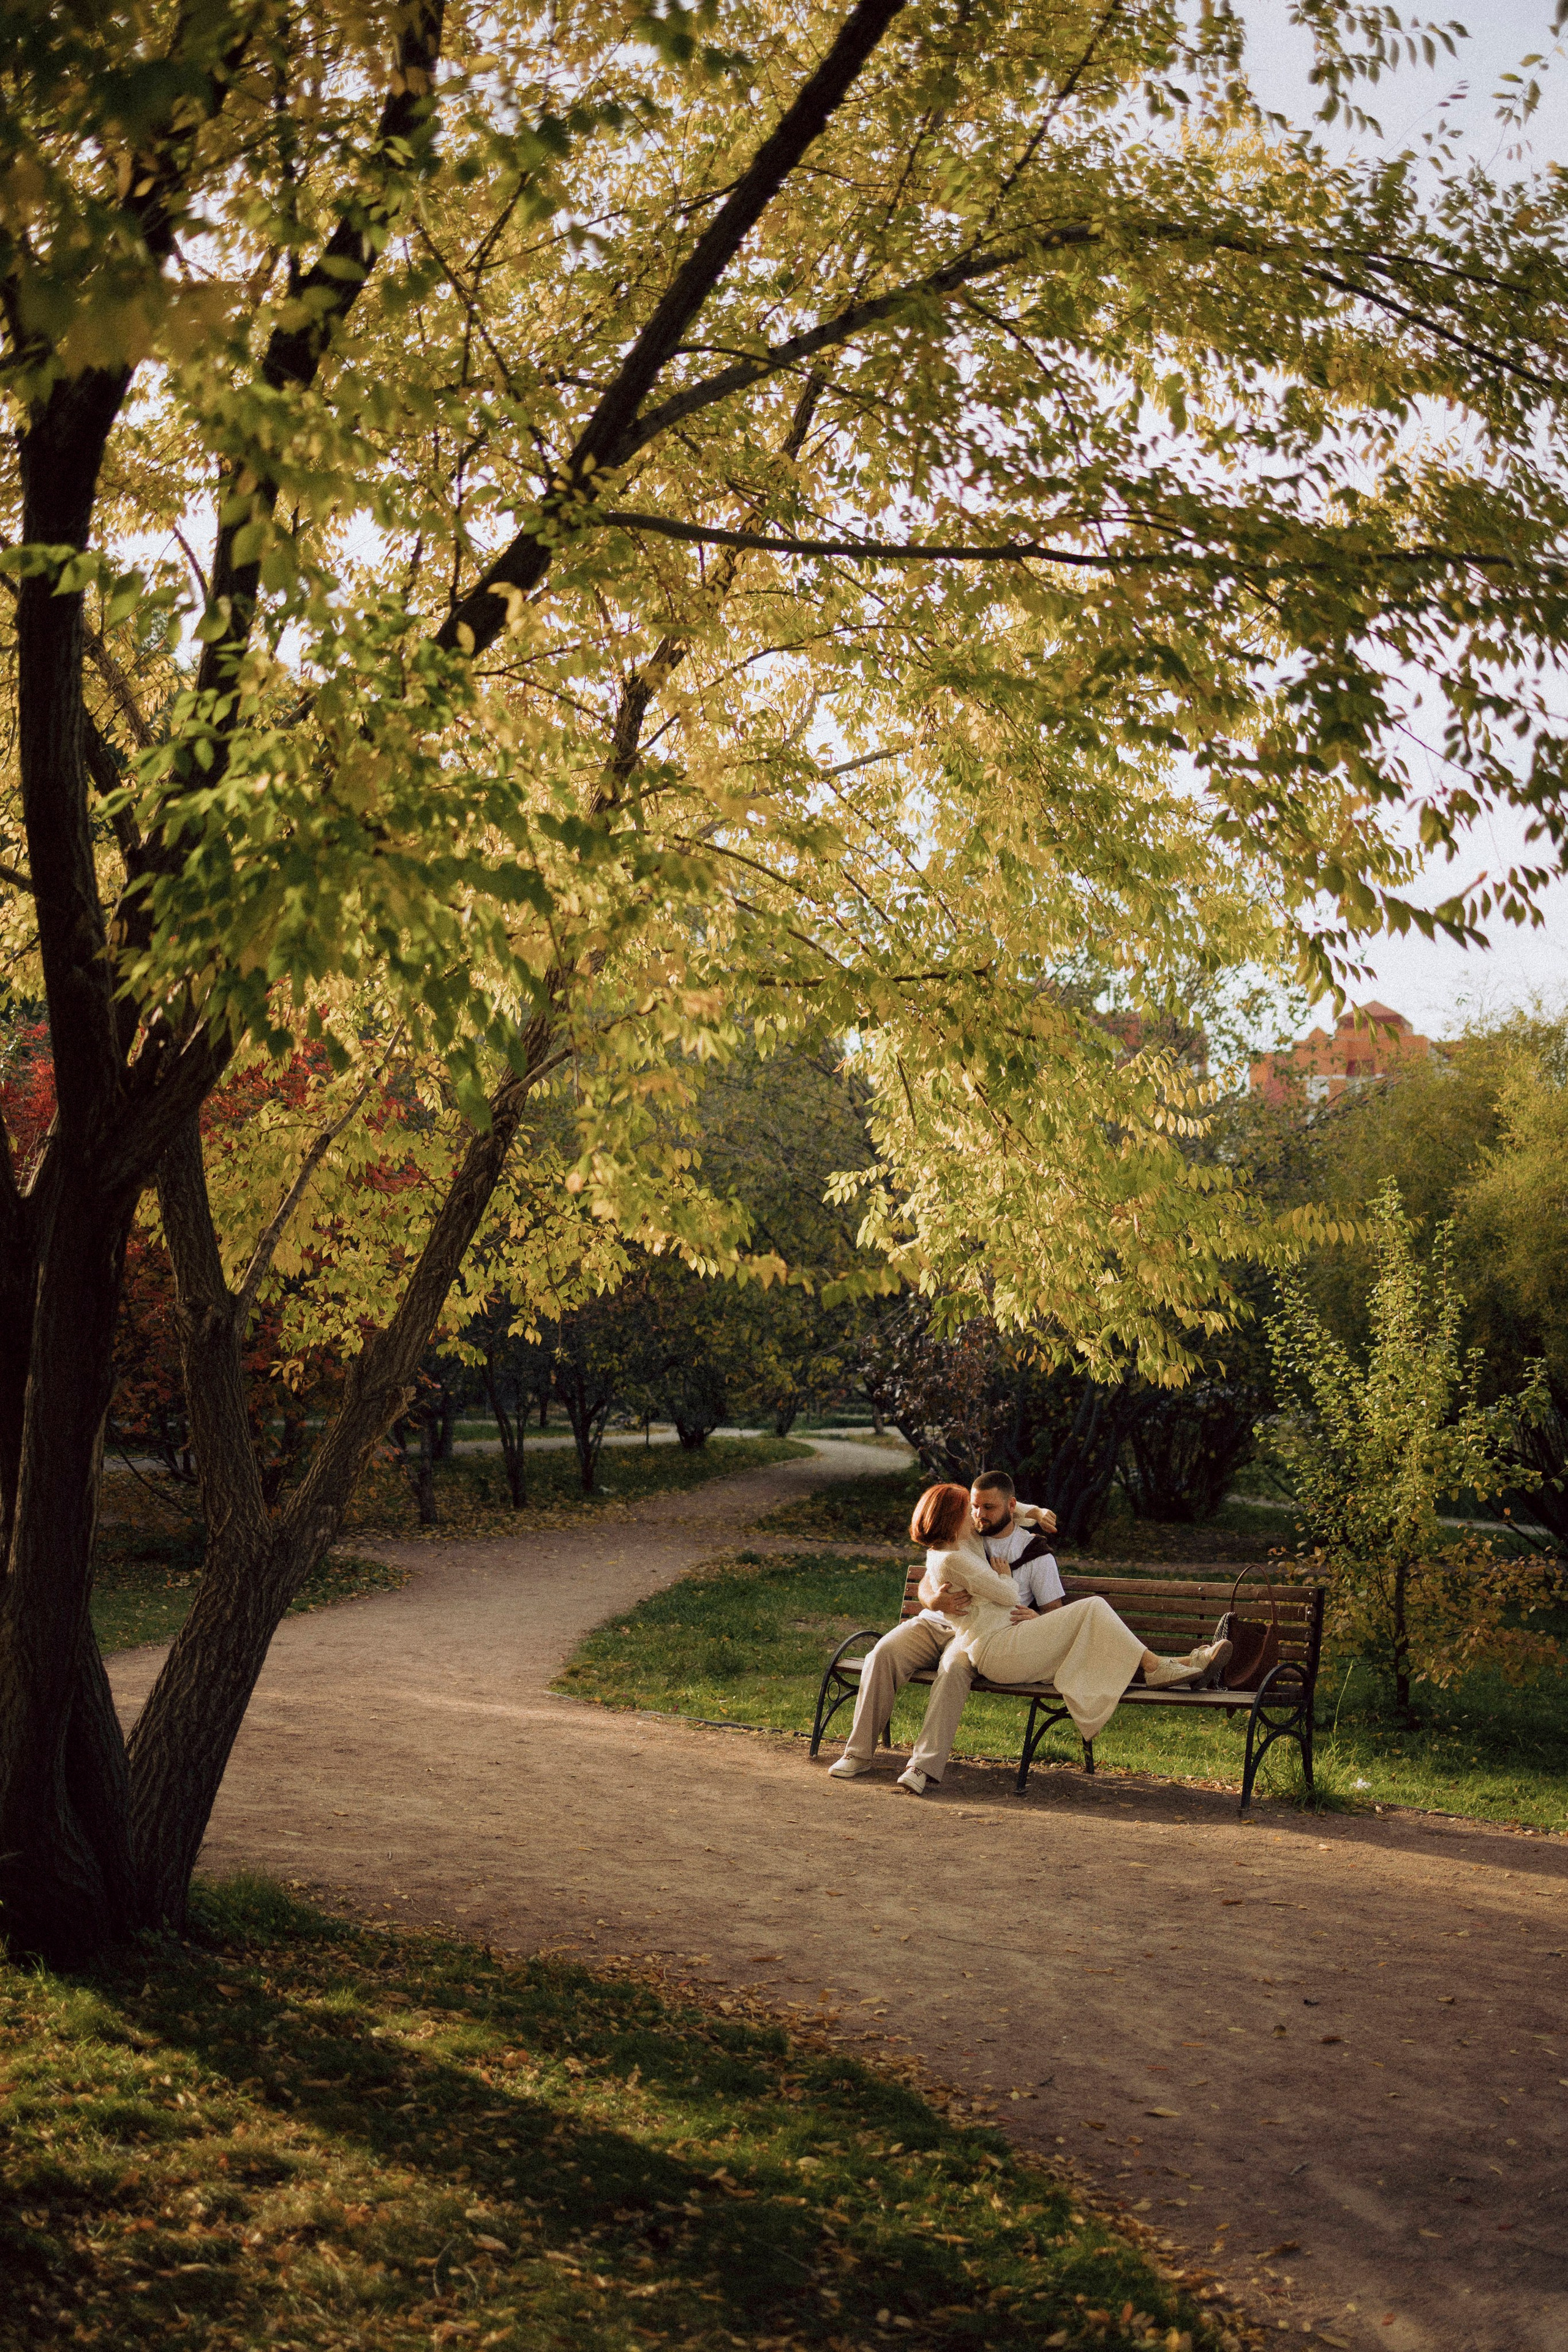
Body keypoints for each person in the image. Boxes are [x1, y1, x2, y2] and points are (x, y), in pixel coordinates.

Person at [907, 1483, 1231, 1774]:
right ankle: (1163, 1666)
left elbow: (1004, 1507)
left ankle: (1183, 1664)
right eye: (970, 1509)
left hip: (1003, 1641)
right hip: (994, 1650)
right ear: (955, 1518)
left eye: (983, 1508)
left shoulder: (967, 1541)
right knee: (1094, 1608)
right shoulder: (957, 1554)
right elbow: (1007, 1593)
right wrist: (998, 1578)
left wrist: (1033, 1512)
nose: (976, 1515)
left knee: (1095, 1618)